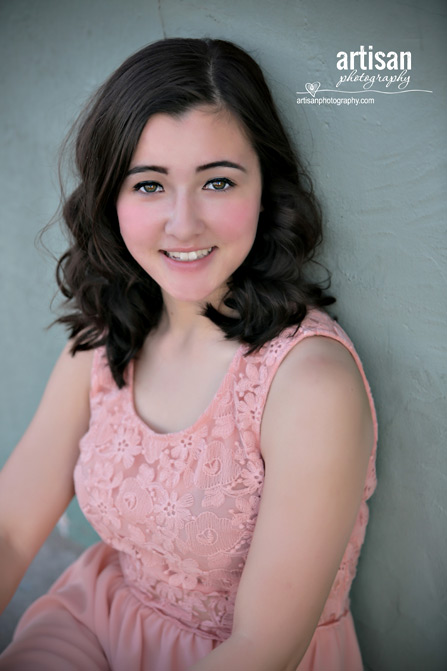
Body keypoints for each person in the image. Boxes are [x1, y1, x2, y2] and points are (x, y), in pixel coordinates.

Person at [0, 37, 377, 671]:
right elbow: (10, 528)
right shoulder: (102, 339)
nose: (183, 224)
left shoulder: (308, 382)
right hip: (96, 619)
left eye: (218, 181)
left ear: (265, 188)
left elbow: (263, 650)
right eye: (149, 185)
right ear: (111, 202)